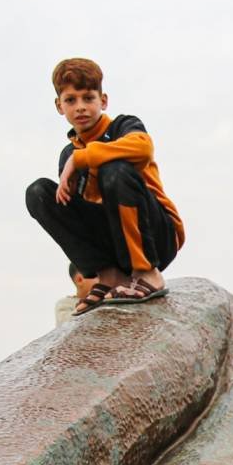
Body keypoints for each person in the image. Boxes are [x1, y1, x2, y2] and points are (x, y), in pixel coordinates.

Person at [25, 57, 185, 314]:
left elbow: (143, 148)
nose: (80, 107)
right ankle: (108, 276)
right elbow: (76, 212)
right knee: (38, 193)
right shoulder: (69, 154)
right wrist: (74, 167)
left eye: (88, 98)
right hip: (114, 243)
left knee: (115, 169)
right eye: (71, 100)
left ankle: (148, 273)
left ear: (103, 100)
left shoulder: (123, 126)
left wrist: (83, 158)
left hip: (155, 237)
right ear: (59, 105)